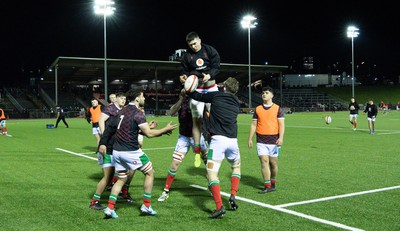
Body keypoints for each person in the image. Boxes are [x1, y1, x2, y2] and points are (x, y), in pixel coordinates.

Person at [99, 88, 177, 219]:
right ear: (137, 99)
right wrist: (165, 129)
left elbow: (113, 128)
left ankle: (110, 208)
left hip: (117, 152)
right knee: (150, 172)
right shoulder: (138, 113)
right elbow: (149, 134)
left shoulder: (121, 110)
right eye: (143, 96)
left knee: (122, 178)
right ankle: (146, 206)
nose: (144, 98)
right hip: (131, 151)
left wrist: (102, 142)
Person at [187, 77, 241, 219]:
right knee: (236, 167)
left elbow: (197, 96)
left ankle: (219, 207)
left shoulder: (216, 95)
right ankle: (233, 195)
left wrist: (188, 89)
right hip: (233, 141)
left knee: (211, 174)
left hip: (218, 141)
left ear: (224, 87)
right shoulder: (237, 102)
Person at [158, 89, 208, 202]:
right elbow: (171, 112)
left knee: (208, 163)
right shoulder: (183, 101)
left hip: (198, 136)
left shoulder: (200, 99)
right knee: (174, 164)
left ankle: (212, 184)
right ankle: (166, 190)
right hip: (184, 137)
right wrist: (181, 99)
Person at [180, 31, 220, 168]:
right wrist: (184, 77)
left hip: (211, 88)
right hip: (196, 91)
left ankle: (214, 145)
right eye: (191, 45)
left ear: (200, 40)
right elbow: (185, 72)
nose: (193, 46)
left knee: (216, 116)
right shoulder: (187, 56)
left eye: (195, 43)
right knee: (196, 122)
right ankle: (197, 153)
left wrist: (210, 75)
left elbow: (216, 67)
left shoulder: (210, 50)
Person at [89, 92, 127, 210]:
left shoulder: (123, 110)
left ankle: (122, 194)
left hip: (119, 145)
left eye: (124, 99)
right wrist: (104, 139)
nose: (123, 100)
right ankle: (95, 201)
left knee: (123, 173)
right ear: (115, 100)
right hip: (110, 145)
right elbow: (101, 121)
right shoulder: (110, 109)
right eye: (121, 98)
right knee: (109, 176)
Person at [248, 86, 285, 194]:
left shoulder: (278, 108)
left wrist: (281, 138)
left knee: (273, 163)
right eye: (263, 93)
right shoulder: (258, 109)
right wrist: (250, 138)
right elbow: (253, 125)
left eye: (267, 93)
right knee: (264, 161)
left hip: (274, 141)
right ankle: (267, 185)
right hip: (261, 140)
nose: (264, 94)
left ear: (272, 95)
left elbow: (281, 125)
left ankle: (273, 183)